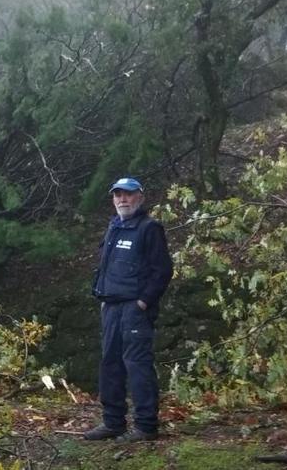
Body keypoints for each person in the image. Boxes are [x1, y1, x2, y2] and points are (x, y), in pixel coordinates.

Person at [84, 177, 173, 443]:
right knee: (110, 364)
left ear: (140, 197)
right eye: (118, 195)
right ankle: (113, 423)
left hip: (135, 308)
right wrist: (102, 298)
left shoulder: (150, 228)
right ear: (113, 199)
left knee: (137, 365)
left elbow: (163, 270)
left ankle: (146, 427)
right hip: (111, 306)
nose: (123, 199)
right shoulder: (114, 226)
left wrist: (144, 301)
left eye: (128, 194)